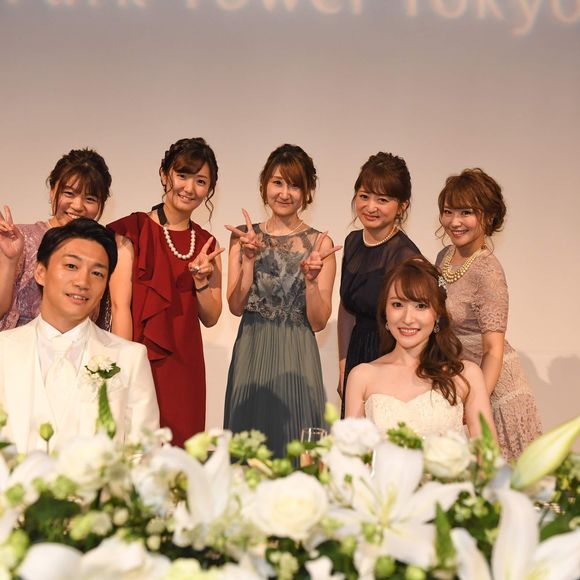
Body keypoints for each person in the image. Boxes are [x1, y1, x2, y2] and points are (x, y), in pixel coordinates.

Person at [0, 218, 159, 453]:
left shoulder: (129, 358)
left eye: (97, 273)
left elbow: (144, 454)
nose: (83, 282)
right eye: (72, 266)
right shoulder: (4, 350)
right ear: (41, 272)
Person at [223, 144, 340, 457]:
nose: (284, 193)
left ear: (307, 192)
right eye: (277, 182)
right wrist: (249, 260)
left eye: (294, 185)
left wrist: (311, 281)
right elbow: (235, 306)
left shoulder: (320, 244)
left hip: (297, 355)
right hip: (251, 351)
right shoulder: (243, 236)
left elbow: (318, 321)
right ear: (264, 184)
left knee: (297, 449)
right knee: (249, 453)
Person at [107, 138, 223, 448]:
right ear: (164, 174)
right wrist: (123, 368)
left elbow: (211, 317)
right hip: (138, 358)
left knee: (181, 455)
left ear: (209, 189)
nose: (189, 188)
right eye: (182, 175)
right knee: (135, 449)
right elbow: (119, 306)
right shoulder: (132, 231)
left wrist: (200, 281)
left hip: (186, 368)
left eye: (201, 181)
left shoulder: (207, 244)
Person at [435, 168, 542, 460]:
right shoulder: (444, 257)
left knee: (497, 476)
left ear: (489, 216)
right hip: (460, 379)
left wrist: (476, 401)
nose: (454, 222)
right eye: (448, 212)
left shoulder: (488, 270)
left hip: (493, 390)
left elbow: (492, 350)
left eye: (466, 212)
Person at [345, 257, 495, 440]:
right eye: (397, 304)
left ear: (437, 314)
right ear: (385, 311)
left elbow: (488, 452)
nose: (408, 318)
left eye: (421, 306)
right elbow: (351, 453)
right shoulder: (361, 376)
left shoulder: (466, 375)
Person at [338, 152, 420, 417]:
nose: (370, 206)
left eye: (382, 200)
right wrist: (343, 366)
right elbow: (346, 309)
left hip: (390, 357)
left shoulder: (407, 257)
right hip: (356, 353)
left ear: (402, 205)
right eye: (364, 196)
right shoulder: (352, 241)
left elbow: (419, 324)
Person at [0, 149, 112, 331]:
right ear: (52, 191)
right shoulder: (18, 239)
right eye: (69, 193)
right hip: (20, 344)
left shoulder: (102, 250)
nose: (78, 206)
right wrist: (10, 260)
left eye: (90, 199)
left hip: (78, 345)